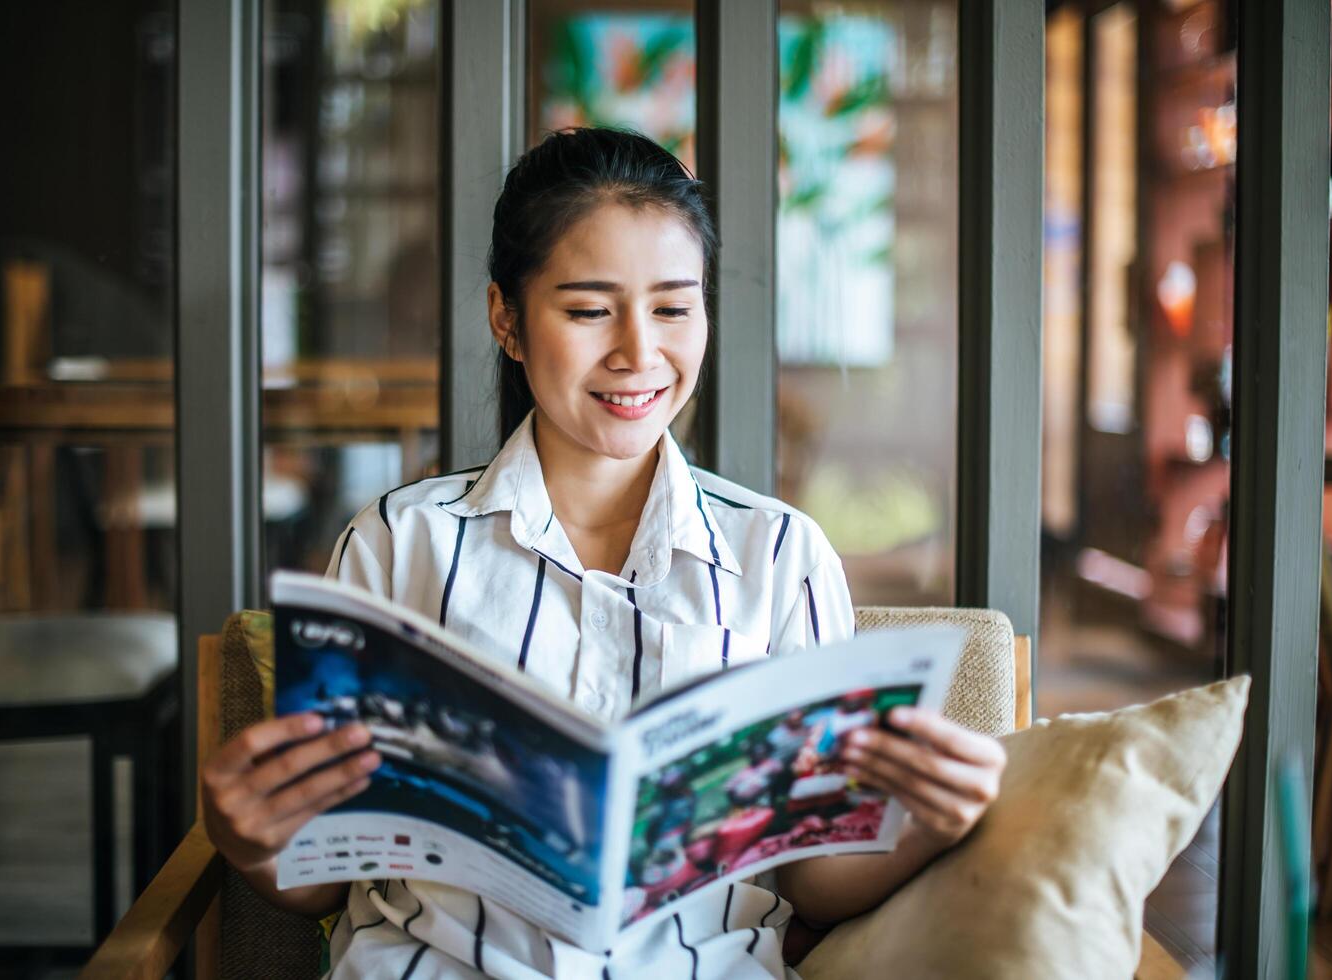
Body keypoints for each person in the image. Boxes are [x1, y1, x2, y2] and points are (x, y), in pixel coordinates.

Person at [200, 127, 1006, 979]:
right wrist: (247, 838)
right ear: (506, 319)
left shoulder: (779, 556)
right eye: (587, 310)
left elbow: (812, 884)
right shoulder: (402, 542)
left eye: (671, 307)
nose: (637, 353)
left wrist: (928, 822)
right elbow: (329, 879)